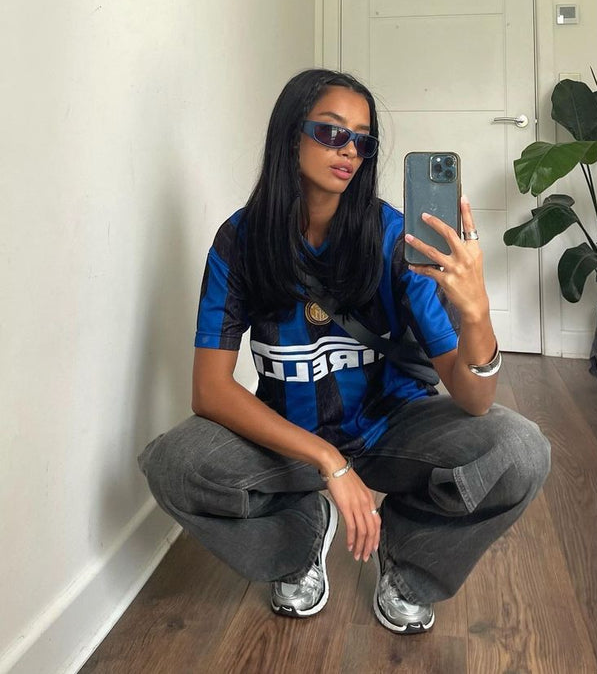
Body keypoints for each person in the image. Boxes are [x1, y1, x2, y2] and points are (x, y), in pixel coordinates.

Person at [138, 68, 551, 634]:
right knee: (174, 464)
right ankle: (300, 536)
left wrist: (477, 311)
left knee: (521, 451)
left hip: (390, 427)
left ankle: (408, 565)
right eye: (332, 132)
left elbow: (475, 398)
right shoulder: (241, 241)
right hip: (291, 435)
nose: (350, 150)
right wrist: (327, 461)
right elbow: (209, 390)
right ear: (291, 136)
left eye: (363, 140)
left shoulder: (394, 238)